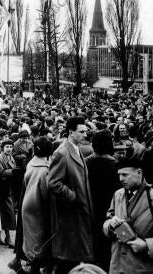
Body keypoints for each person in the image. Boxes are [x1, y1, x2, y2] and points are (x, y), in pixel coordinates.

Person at [47, 116, 95, 273]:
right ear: (71, 132)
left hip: (79, 212)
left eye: (86, 131)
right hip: (70, 214)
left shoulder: (76, 148)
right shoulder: (61, 152)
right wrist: (72, 196)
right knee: (69, 258)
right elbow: (53, 183)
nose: (85, 135)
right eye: (81, 132)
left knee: (74, 257)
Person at [103, 157, 153, 274]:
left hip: (143, 269)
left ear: (139, 173)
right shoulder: (118, 195)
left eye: (125, 175)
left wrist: (147, 245)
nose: (121, 179)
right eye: (119, 175)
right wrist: (110, 225)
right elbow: (108, 220)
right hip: (117, 267)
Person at [86, 130, 118, 271]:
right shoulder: (115, 164)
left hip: (90, 207)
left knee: (93, 242)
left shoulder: (86, 162)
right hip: (110, 208)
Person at [22, 136, 53, 274]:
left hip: (28, 203)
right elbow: (46, 193)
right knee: (40, 239)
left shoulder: (31, 163)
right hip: (39, 205)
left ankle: (31, 266)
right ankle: (35, 269)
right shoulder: (45, 169)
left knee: (31, 238)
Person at [0, 139, 18, 247]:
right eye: (7, 147)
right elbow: (0, 174)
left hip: (10, 188)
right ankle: (8, 237)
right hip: (2, 189)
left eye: (10, 147)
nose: (9, 149)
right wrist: (14, 171)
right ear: (2, 148)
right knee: (7, 213)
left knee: (6, 213)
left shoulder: (11, 157)